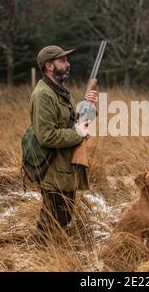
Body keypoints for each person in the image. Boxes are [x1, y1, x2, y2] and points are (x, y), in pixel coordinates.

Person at [29, 45, 97, 243]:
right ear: (49, 66)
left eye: (67, 60)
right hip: (53, 169)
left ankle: (49, 253)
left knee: (63, 215)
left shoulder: (58, 91)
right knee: (52, 220)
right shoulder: (43, 95)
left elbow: (74, 121)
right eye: (63, 61)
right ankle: (42, 257)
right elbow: (47, 136)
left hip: (64, 168)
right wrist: (77, 133)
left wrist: (89, 106)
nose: (68, 64)